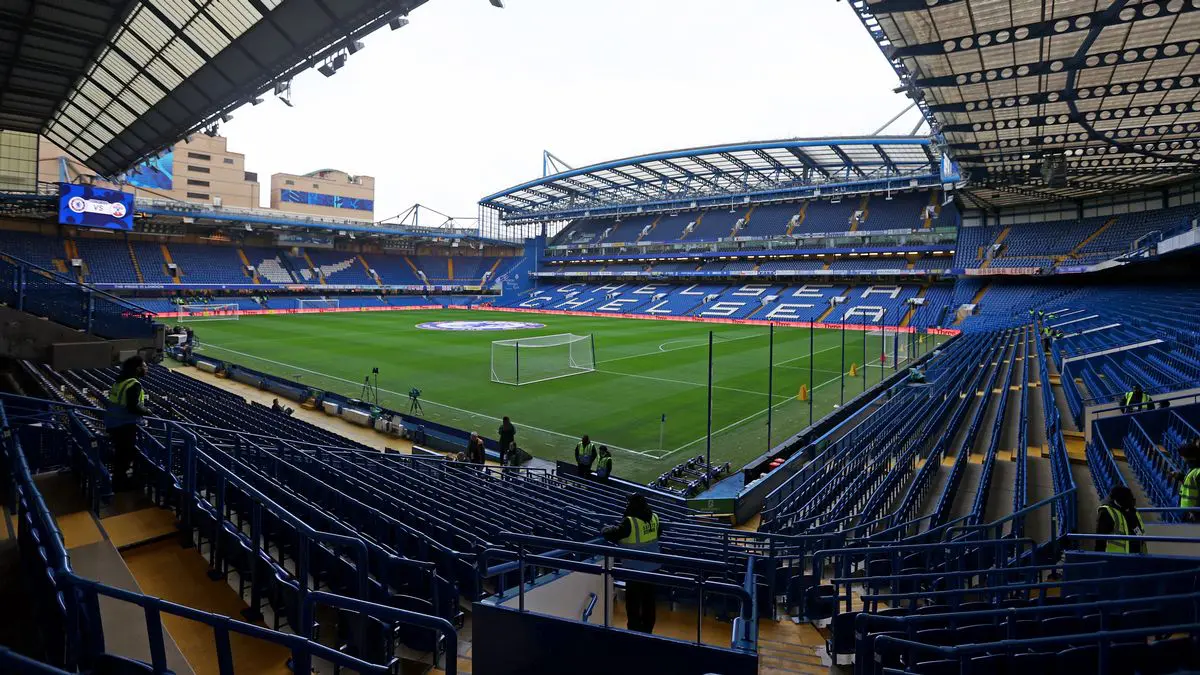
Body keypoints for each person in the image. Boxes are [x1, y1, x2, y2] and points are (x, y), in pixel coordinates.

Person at [602, 494, 661, 633]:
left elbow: (615, 533)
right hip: (653, 567)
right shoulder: (655, 517)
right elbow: (659, 533)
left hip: (634, 569)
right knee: (649, 601)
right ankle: (648, 630)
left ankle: (634, 630)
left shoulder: (630, 522)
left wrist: (605, 529)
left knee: (633, 602)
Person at [105, 356, 150, 490]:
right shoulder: (133, 384)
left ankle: (120, 481)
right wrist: (148, 412)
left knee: (122, 455)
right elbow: (133, 406)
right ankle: (119, 485)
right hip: (124, 425)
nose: (146, 369)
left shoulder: (120, 381)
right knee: (124, 456)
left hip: (113, 422)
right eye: (144, 366)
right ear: (137, 369)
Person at [1095, 485, 1147, 554]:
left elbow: (1140, 533)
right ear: (1119, 500)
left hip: (1138, 557)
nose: (1131, 502)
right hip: (1116, 559)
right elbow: (1100, 541)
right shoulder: (1106, 512)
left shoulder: (1133, 511)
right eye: (1128, 499)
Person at [1174, 440, 1200, 522]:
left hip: (1194, 513)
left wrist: (1194, 511)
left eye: (1183, 456)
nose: (1182, 458)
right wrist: (1181, 477)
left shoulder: (1198, 471)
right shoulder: (1192, 468)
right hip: (1187, 510)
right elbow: (1192, 484)